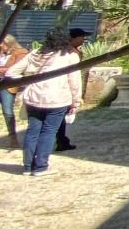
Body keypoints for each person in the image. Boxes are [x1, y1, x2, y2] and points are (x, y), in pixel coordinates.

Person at [9, 29, 82, 176]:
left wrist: (26, 82)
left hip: (34, 98)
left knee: (32, 131)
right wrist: (76, 101)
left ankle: (28, 166)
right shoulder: (68, 56)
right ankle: (41, 166)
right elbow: (74, 81)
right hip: (57, 98)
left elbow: (10, 73)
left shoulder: (35, 53)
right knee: (48, 132)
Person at [50, 27, 91, 152]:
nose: (84, 40)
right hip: (62, 90)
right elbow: (73, 77)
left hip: (58, 90)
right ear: (74, 38)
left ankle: (61, 140)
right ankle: (60, 141)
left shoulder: (69, 51)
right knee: (59, 117)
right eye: (82, 37)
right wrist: (76, 98)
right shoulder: (70, 53)